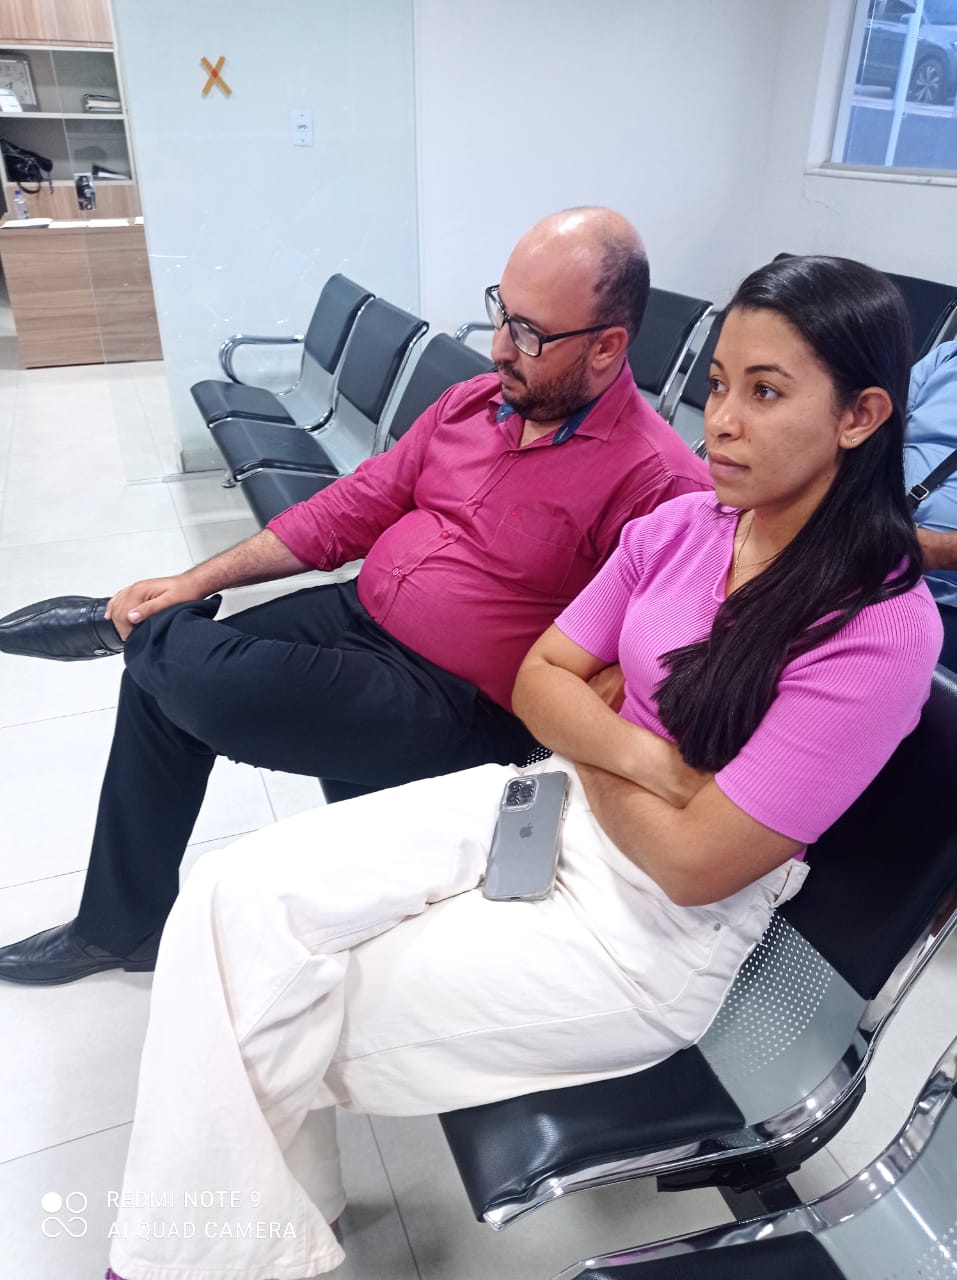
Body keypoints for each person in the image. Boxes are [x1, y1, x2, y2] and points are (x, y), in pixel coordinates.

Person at [103, 254, 940, 1280]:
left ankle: (187, 1260)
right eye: (719, 383)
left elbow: (691, 865)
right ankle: (249, 1238)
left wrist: (586, 718)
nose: (720, 421)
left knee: (261, 1003)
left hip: (643, 938)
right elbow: (540, 677)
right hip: (545, 806)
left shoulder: (876, 628)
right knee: (230, 895)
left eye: (765, 393)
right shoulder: (684, 529)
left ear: (858, 415)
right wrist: (642, 754)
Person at [0, 207, 710, 986]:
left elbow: (646, 672)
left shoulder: (660, 486)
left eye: (530, 333)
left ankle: (127, 630)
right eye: (501, 314)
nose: (501, 346)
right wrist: (193, 582)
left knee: (192, 675)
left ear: (607, 346)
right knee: (158, 677)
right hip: (359, 616)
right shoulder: (472, 403)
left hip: (456, 699)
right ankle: (121, 927)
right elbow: (353, 507)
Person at [904, 338, 957, 669]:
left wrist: (938, 550)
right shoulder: (949, 355)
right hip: (855, 552)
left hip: (944, 601)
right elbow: (877, 426)